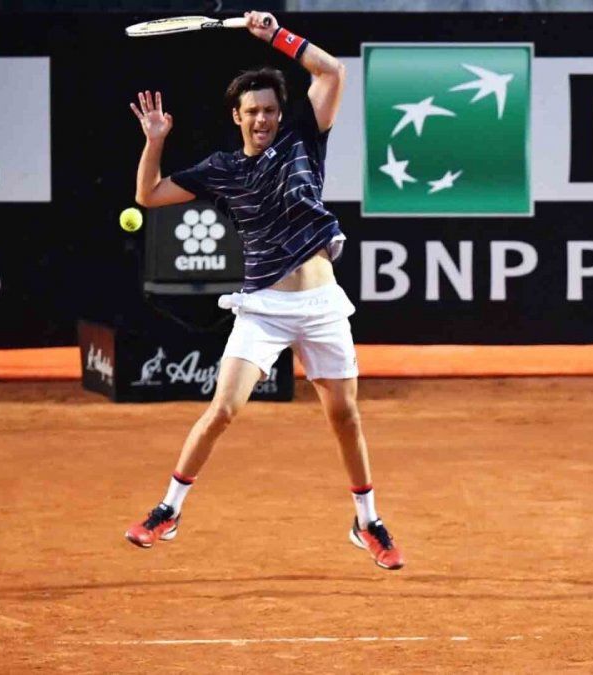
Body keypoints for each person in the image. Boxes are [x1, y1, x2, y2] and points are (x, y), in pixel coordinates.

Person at [123, 11, 404, 571]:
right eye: (252, 111)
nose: (262, 119)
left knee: (344, 415)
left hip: (322, 305)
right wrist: (155, 141)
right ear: (237, 116)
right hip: (264, 308)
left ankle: (366, 520)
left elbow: (332, 73)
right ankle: (168, 510)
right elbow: (149, 195)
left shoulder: (305, 139)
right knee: (224, 408)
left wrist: (276, 36)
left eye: (270, 111)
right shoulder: (222, 169)